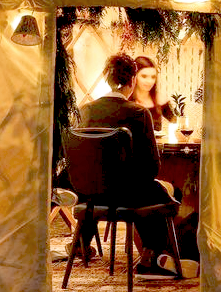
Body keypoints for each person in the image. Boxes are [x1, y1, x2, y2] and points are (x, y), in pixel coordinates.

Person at [76, 53, 177, 278]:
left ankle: (81, 243)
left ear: (107, 80)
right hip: (131, 197)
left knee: (142, 188)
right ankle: (151, 256)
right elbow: (152, 167)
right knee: (160, 190)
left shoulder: (86, 111)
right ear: (132, 81)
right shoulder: (138, 113)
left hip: (93, 196)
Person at [130, 55, 176, 132]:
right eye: (144, 76)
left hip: (156, 143)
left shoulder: (160, 99)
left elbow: (175, 122)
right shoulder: (125, 99)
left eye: (153, 77)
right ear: (134, 77)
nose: (149, 81)